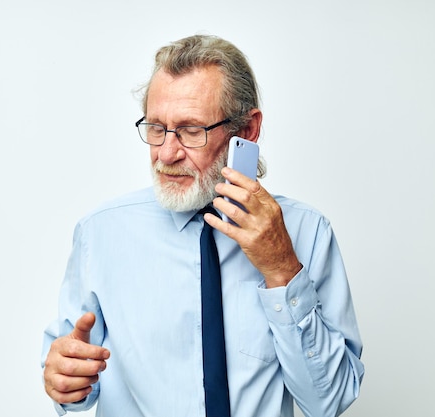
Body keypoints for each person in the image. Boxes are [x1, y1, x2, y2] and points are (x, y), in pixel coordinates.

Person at [42, 34, 364, 417]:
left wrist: (281, 269)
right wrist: (66, 380)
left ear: (246, 131)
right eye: (156, 127)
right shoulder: (101, 233)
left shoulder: (307, 232)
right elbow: (71, 381)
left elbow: (330, 401)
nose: (166, 153)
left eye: (192, 130)